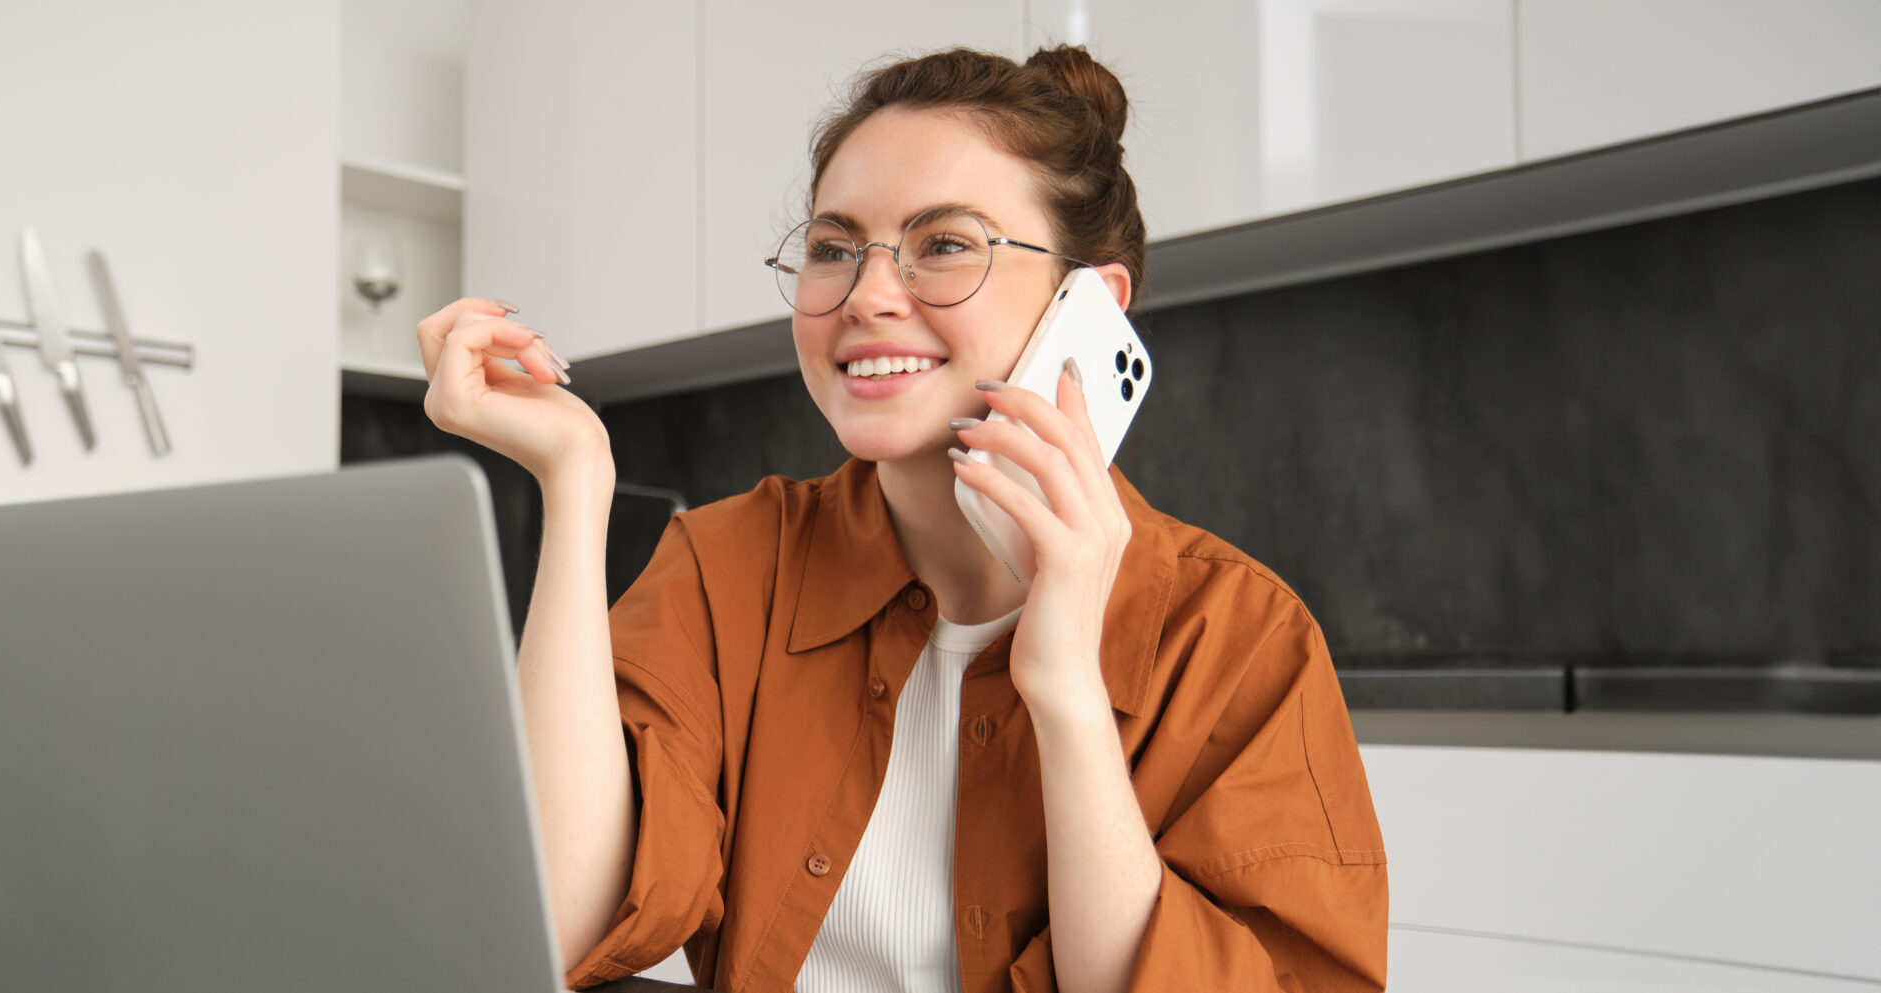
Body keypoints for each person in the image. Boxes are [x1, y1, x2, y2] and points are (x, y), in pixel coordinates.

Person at [415, 45, 1388, 993]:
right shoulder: (724, 568)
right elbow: (550, 924)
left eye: (945, 245)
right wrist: (574, 483)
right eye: (835, 248)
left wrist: (1066, 695)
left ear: (1088, 306)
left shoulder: (1237, 636)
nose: (867, 295)